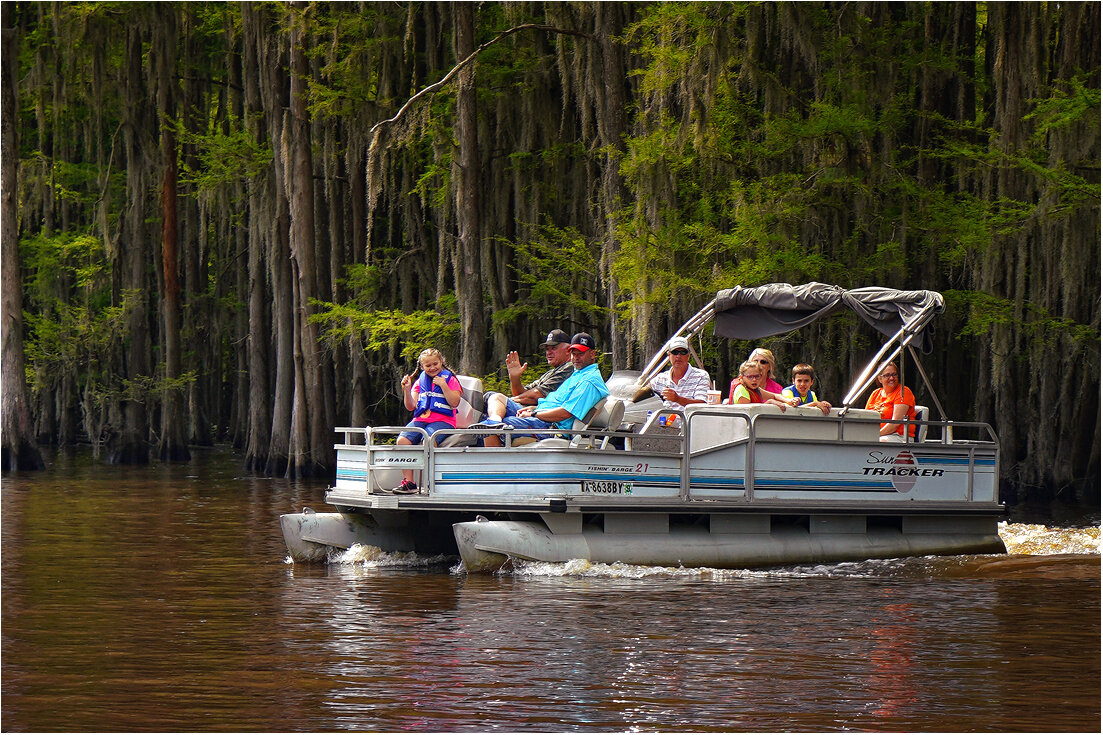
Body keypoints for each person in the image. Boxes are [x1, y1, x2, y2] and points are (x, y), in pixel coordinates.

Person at [480, 332, 609, 447]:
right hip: (541, 415)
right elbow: (553, 402)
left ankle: (497, 471)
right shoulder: (577, 374)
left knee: (497, 425)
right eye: (573, 353)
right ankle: (494, 420)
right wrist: (535, 408)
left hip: (552, 426)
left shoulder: (589, 381)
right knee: (496, 400)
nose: (576, 357)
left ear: (592, 354)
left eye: (580, 353)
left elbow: (565, 413)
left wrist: (534, 413)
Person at [390, 347, 463, 494]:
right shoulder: (419, 382)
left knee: (428, 440)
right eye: (428, 365)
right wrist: (406, 389)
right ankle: (409, 483)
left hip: (444, 421)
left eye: (435, 364)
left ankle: (431, 482)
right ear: (422, 367)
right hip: (421, 420)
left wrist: (443, 385)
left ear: (441, 362)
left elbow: (454, 403)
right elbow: (410, 406)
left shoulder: (450, 380)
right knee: (402, 441)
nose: (432, 368)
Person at [482, 329, 574, 423]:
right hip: (528, 411)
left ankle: (493, 423)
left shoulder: (570, 367)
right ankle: (491, 424)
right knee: (485, 411)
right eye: (547, 349)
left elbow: (536, 396)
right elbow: (522, 395)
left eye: (554, 348)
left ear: (568, 350)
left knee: (491, 398)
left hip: (542, 415)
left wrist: (506, 400)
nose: (549, 352)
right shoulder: (550, 373)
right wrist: (515, 378)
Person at [649, 336, 710, 409]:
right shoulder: (659, 379)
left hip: (688, 420)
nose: (678, 356)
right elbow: (644, 395)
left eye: (683, 352)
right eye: (675, 352)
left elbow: (702, 405)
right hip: (664, 420)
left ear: (688, 356)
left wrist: (678, 399)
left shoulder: (701, 376)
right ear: (669, 355)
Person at [865, 361, 916, 442]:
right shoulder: (875, 393)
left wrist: (874, 435)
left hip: (899, 436)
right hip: (877, 435)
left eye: (894, 374)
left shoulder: (903, 392)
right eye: (887, 375)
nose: (891, 378)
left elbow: (895, 423)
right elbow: (865, 417)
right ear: (880, 379)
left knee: (879, 441)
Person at [731, 359, 798, 411]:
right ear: (742, 377)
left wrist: (789, 401)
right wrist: (769, 402)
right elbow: (749, 413)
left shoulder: (754, 389)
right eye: (750, 377)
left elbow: (774, 396)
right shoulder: (741, 390)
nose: (754, 379)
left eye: (757, 376)